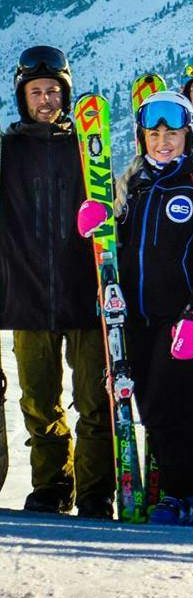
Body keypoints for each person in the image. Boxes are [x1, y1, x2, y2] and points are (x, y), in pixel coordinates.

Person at [0, 47, 112, 516]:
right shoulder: (7, 152)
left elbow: (111, 210)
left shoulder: (87, 148)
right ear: (22, 98)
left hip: (84, 294)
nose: (45, 100)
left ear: (65, 95)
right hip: (27, 297)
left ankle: (94, 493)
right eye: (36, 92)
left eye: (52, 91)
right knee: (38, 403)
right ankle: (51, 487)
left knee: (94, 401)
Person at [117, 90, 193, 524]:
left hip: (181, 319)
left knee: (175, 405)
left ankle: (188, 493)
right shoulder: (135, 186)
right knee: (150, 405)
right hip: (138, 318)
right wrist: (100, 224)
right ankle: (183, 490)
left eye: (173, 134)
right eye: (154, 134)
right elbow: (118, 251)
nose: (163, 142)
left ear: (188, 136)